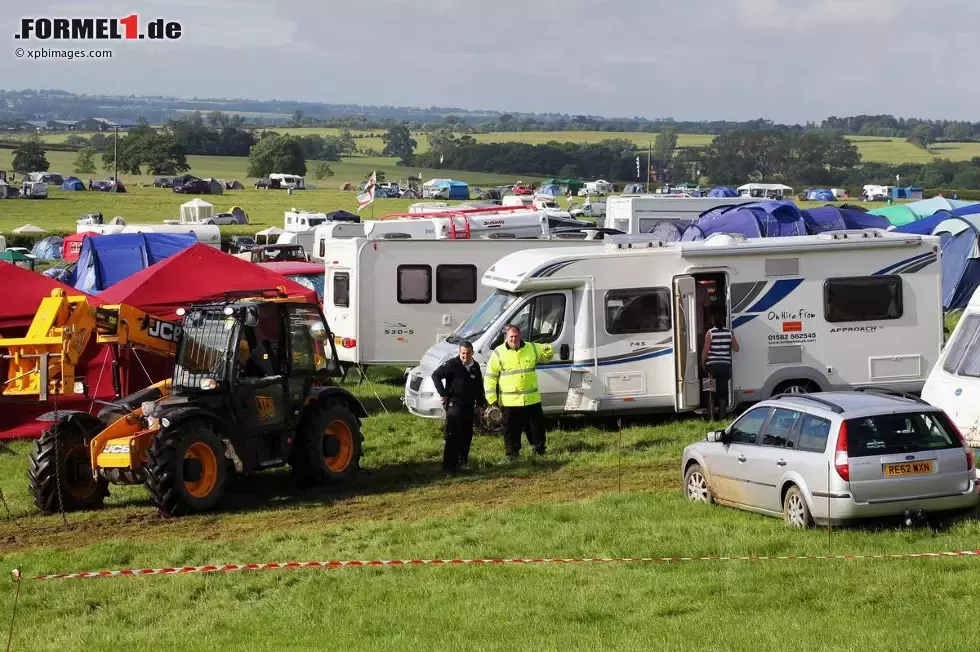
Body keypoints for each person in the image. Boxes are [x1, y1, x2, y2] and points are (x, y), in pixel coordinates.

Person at [484, 324, 554, 461]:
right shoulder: (498, 353)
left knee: (536, 428)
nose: (514, 339)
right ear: (506, 337)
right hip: (510, 402)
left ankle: (539, 451)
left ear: (520, 336)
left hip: (531, 399)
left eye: (516, 336)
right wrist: (492, 400)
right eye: (511, 337)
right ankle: (512, 455)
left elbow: (547, 356)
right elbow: (490, 377)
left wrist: (548, 348)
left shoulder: (532, 348)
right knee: (511, 431)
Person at [431, 341, 488, 474]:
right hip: (455, 405)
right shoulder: (452, 364)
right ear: (459, 352)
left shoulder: (475, 367)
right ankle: (449, 467)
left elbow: (479, 387)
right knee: (452, 436)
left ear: (472, 353)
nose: (465, 356)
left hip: (469, 407)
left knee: (466, 436)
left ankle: (462, 463)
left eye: (468, 353)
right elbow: (436, 375)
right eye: (463, 353)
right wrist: (443, 393)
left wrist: (481, 404)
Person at [702, 309, 739, 416]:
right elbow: (736, 348)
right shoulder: (729, 332)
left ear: (712, 321)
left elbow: (706, 350)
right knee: (723, 392)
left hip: (712, 366)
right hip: (725, 367)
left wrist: (702, 362)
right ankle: (722, 416)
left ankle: (711, 417)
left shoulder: (710, 333)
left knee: (710, 391)